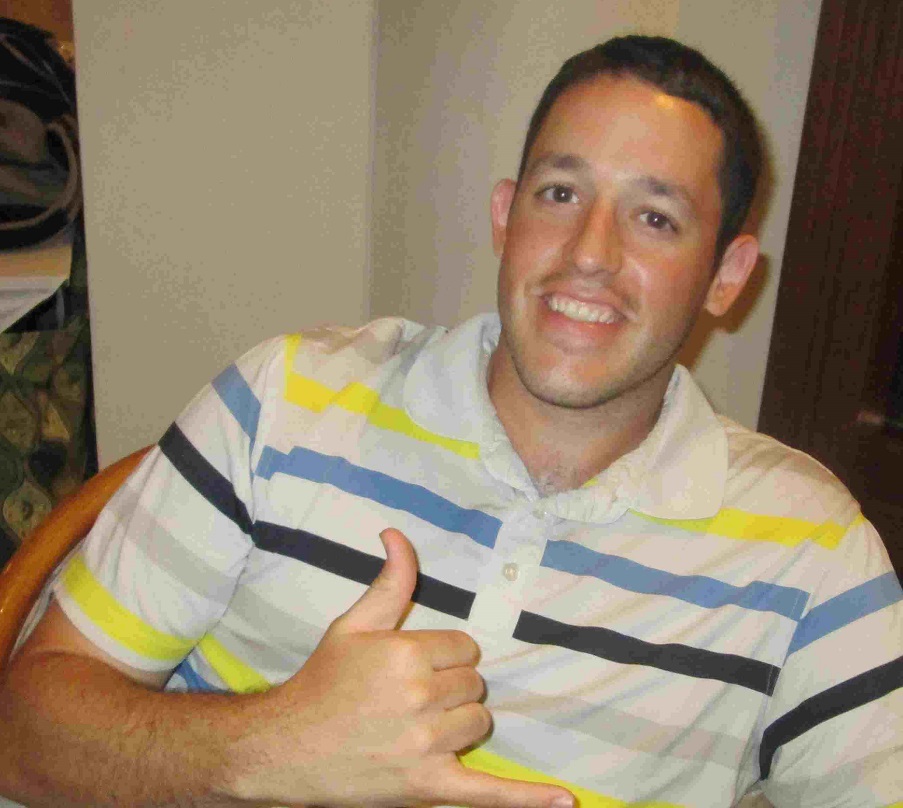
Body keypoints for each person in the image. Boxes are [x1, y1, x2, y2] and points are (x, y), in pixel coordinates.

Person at [0, 34, 900, 808]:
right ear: (505, 217)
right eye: (560, 194)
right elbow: (23, 735)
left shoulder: (809, 551)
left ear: (726, 277)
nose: (589, 254)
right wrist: (270, 747)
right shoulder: (284, 399)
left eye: (655, 217)